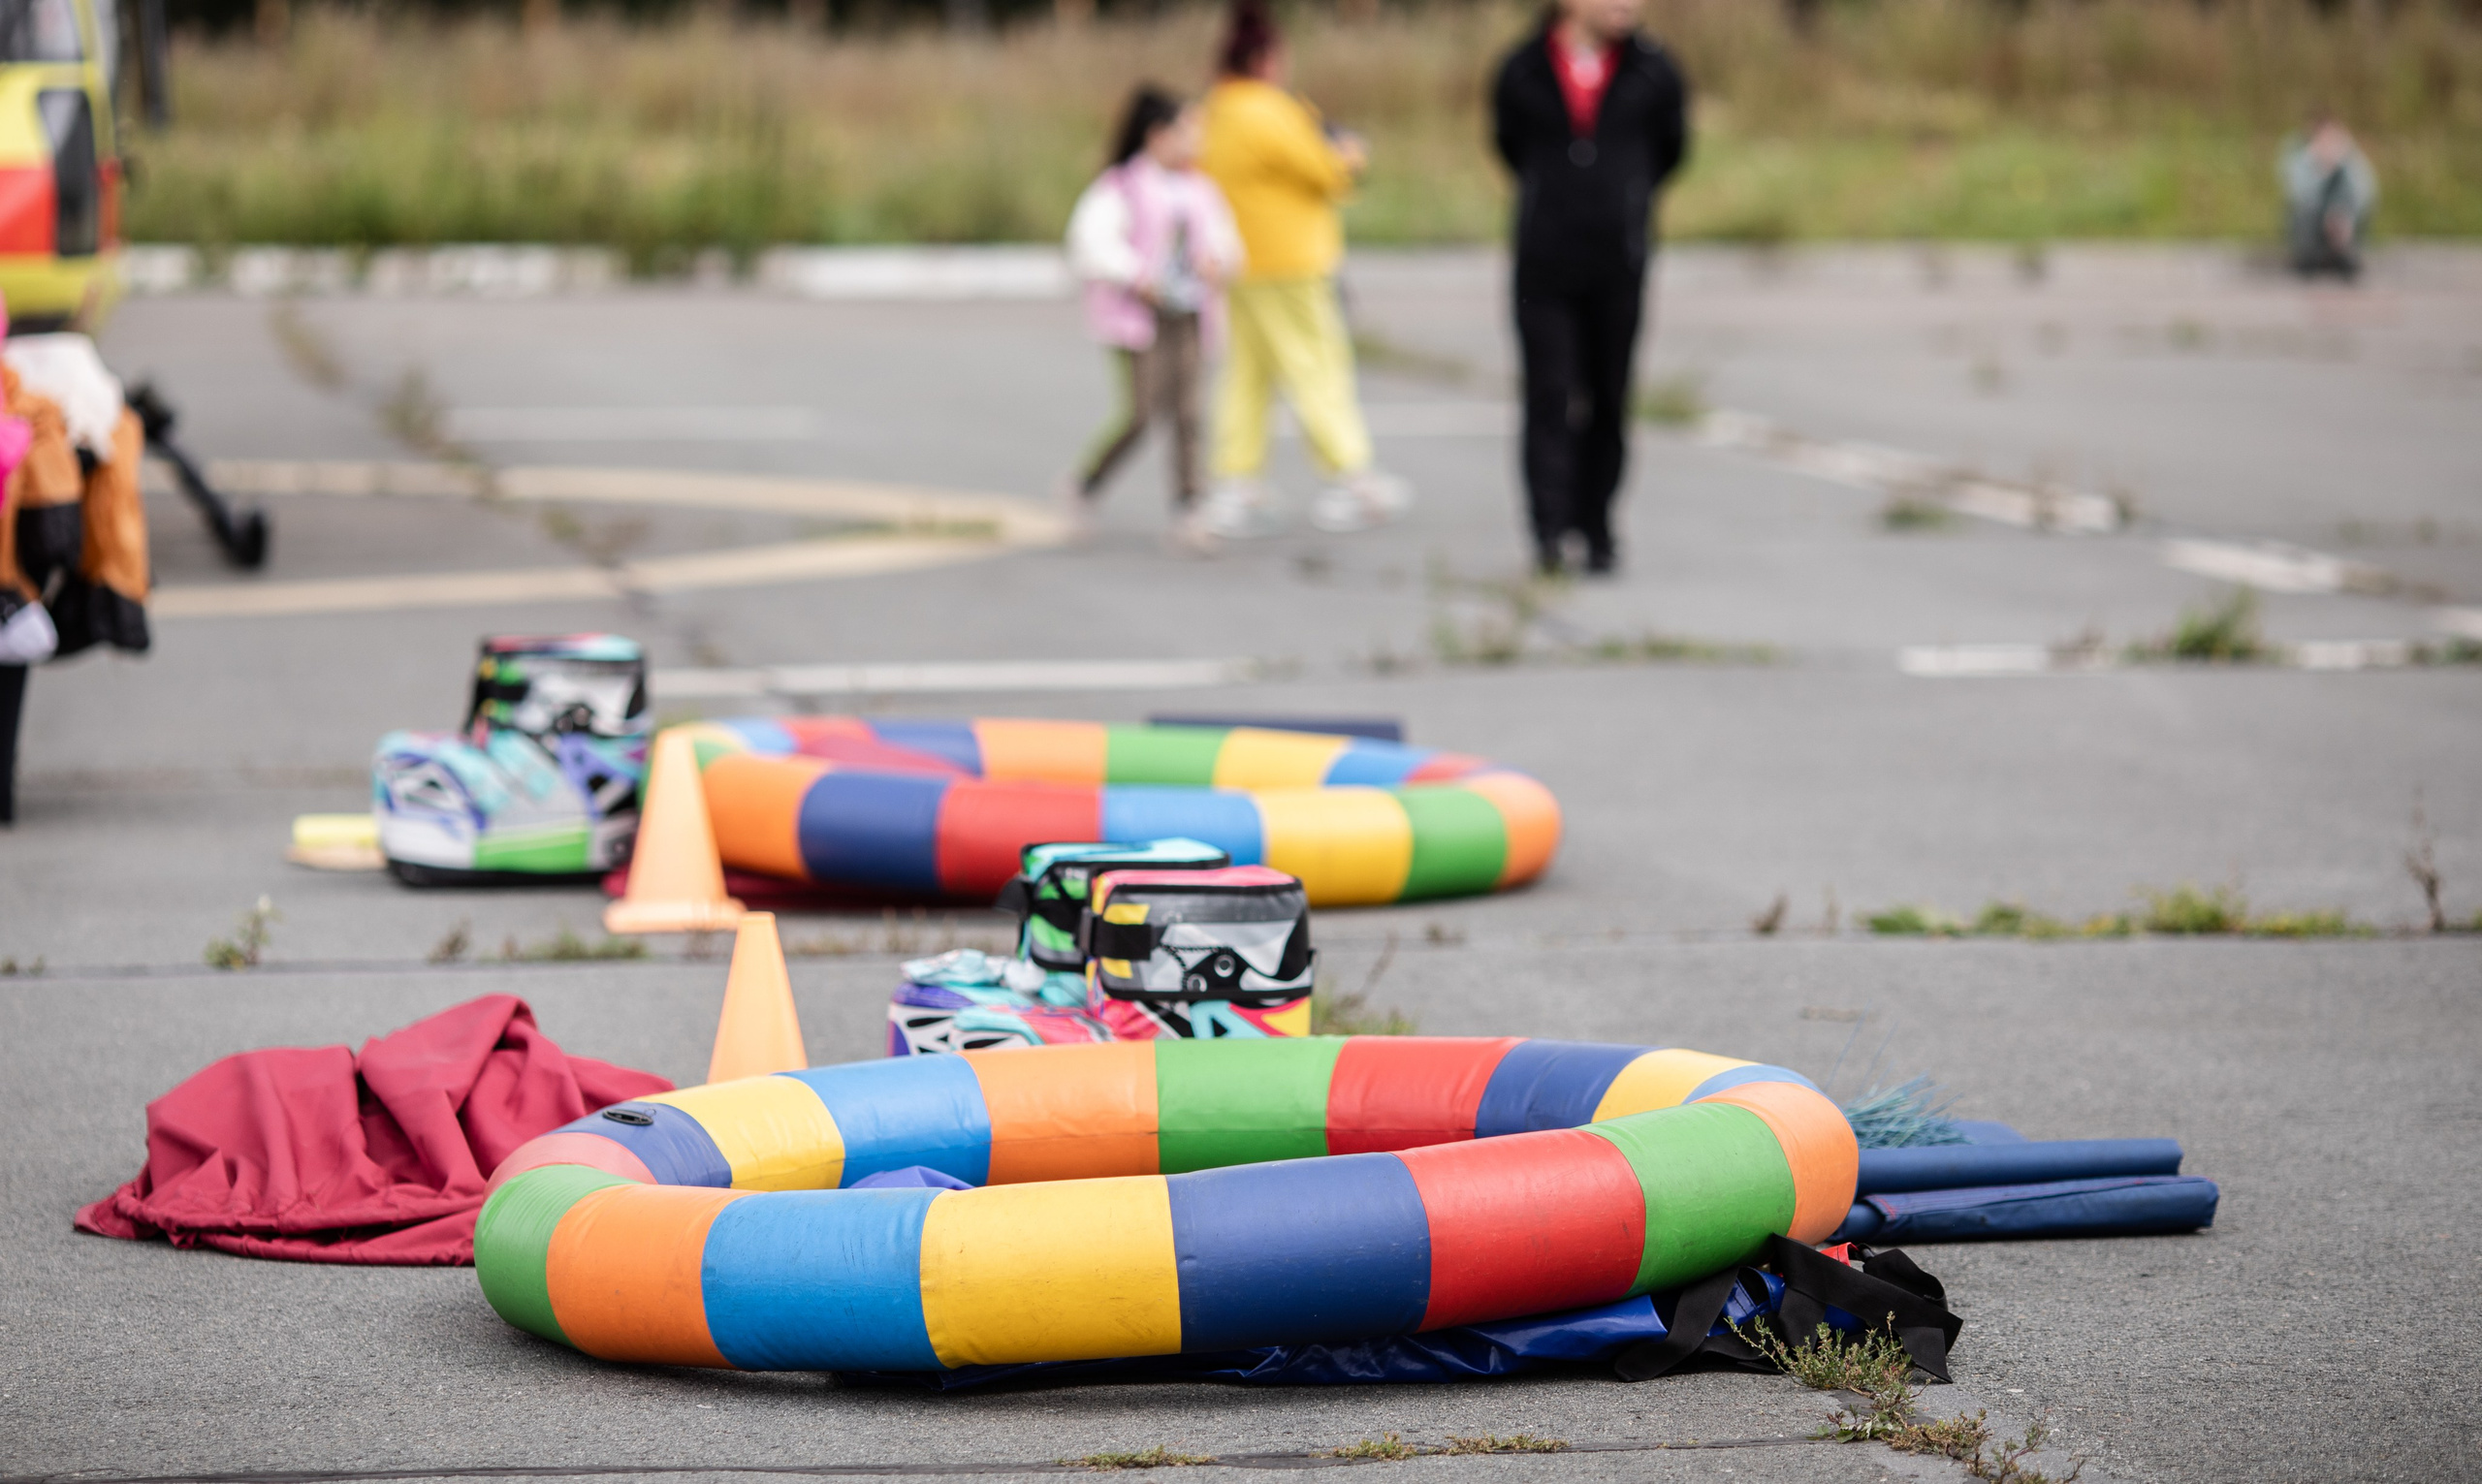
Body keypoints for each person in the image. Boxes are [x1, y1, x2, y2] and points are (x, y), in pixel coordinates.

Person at [1198, 0, 1411, 538]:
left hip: (1239, 260)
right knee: (1317, 364)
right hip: (1290, 260)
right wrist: (1349, 154)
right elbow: (1327, 171)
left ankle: (1235, 478)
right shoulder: (1268, 111)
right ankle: (1349, 474)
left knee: (1247, 375)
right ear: (1266, 58)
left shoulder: (1215, 111)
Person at [1492, 0, 1687, 576]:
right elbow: (1508, 143)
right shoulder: (1523, 69)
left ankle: (1597, 522)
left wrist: (1623, 197)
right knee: (1549, 393)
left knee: (1609, 392)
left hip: (1617, 259)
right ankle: (1550, 528)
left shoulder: (1654, 70)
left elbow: (1671, 149)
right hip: (1545, 261)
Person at [1065, 85, 1246, 553]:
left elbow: (1227, 245)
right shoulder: (1121, 186)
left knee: (1189, 412)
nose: (1197, 140)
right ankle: (1088, 482)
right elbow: (1090, 242)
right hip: (1140, 316)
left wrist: (1218, 263)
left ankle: (1190, 507)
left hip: (1187, 312)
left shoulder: (1202, 190)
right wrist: (1134, 274)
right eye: (1189, 130)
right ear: (1158, 135)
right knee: (1143, 413)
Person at [2281, 115, 2376, 281]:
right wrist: (2321, 171)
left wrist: (2343, 216)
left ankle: (2343, 253)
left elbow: (2366, 194)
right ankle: (2311, 256)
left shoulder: (2350, 160)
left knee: (2343, 188)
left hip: (2343, 225)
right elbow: (2298, 197)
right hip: (2312, 228)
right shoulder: (2301, 158)